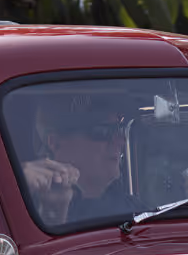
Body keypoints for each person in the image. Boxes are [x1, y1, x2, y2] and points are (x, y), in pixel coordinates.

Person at [21, 93, 138, 226]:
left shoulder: (136, 211)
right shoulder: (25, 208)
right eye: (103, 132)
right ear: (55, 143)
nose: (121, 141)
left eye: (120, 129)